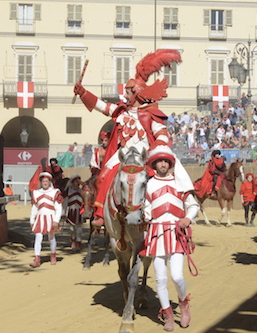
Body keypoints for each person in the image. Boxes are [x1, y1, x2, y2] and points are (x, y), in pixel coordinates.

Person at [74, 49, 193, 228]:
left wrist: (158, 145)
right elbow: (101, 106)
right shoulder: (121, 110)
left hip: (144, 155)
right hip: (122, 153)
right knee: (101, 177)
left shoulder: (151, 114)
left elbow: (161, 134)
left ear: (137, 93)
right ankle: (100, 213)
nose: (125, 96)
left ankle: (153, 210)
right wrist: (83, 93)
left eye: (128, 93)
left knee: (150, 181)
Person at [140, 145, 200, 331]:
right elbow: (145, 209)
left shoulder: (180, 182)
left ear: (170, 164)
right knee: (160, 280)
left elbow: (193, 206)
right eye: (160, 161)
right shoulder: (148, 185)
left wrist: (187, 218)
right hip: (156, 234)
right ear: (155, 164)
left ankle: (183, 304)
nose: (164, 164)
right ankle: (167, 314)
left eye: (166, 161)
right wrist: (144, 215)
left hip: (176, 235)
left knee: (177, 276)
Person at [29, 172, 63, 267]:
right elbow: (35, 207)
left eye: (46, 181)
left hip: (51, 218)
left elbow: (58, 207)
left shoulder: (55, 192)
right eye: (43, 181)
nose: (45, 183)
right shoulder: (36, 193)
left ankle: (53, 255)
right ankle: (37, 259)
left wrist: (56, 220)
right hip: (40, 218)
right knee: (38, 237)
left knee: (51, 238)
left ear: (49, 182)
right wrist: (32, 219)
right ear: (41, 182)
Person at [61, 175, 84, 251]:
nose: (76, 184)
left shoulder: (82, 191)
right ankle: (73, 239)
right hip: (71, 211)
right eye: (75, 182)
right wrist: (63, 213)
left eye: (78, 182)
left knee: (79, 228)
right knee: (71, 228)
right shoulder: (69, 191)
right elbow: (65, 202)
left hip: (79, 212)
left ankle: (78, 242)